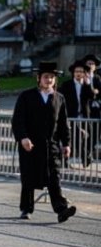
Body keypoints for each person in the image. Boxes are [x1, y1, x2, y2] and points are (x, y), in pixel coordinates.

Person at [12, 62, 76, 222]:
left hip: (51, 145)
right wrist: (23, 137)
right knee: (28, 178)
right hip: (30, 145)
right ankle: (26, 208)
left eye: (52, 77)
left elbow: (63, 123)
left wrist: (66, 143)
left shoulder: (59, 98)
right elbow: (18, 120)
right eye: (46, 77)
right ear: (39, 78)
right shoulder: (26, 96)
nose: (49, 80)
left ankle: (61, 210)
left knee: (54, 177)